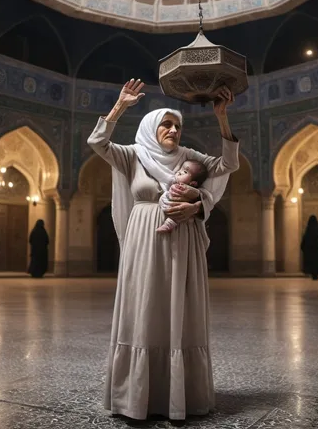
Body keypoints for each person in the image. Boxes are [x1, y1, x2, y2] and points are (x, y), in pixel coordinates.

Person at [87, 79, 239, 421]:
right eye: (166, 124)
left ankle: (177, 395)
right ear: (151, 127)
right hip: (143, 242)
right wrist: (119, 106)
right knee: (144, 310)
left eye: (177, 125)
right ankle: (135, 396)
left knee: (177, 312)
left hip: (181, 243)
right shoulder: (132, 155)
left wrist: (222, 118)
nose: (173, 129)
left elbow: (227, 166)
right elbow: (97, 141)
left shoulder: (190, 158)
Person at [156, 159, 208, 233]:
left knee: (176, 217)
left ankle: (168, 225)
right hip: (166, 205)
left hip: (176, 208)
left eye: (185, 172)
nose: (179, 172)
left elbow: (197, 196)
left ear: (193, 183)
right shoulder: (174, 182)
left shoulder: (189, 189)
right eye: (180, 169)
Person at [301, 215, 318, 280]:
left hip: (309, 251)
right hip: (317, 251)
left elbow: (304, 241)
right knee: (317, 262)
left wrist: (303, 249)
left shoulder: (308, 230)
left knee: (311, 263)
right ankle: (317, 273)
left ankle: (313, 274)